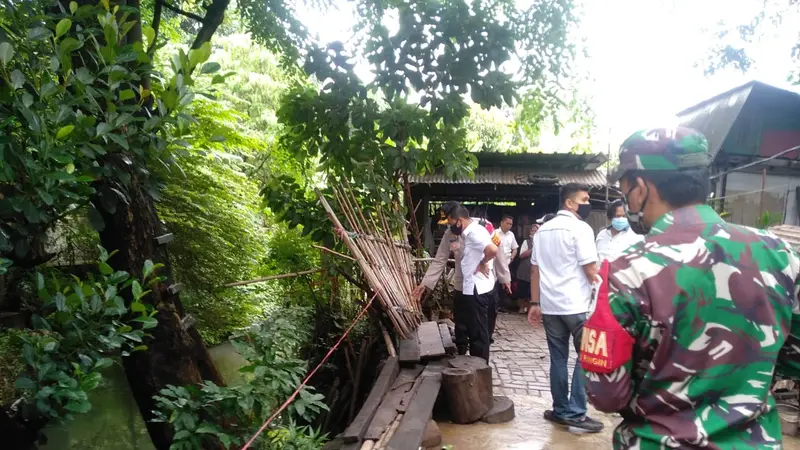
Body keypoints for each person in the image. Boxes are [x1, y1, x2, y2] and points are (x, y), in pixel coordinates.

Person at [581, 127, 800, 449]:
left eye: (625, 192)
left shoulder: (628, 271)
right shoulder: (781, 254)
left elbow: (606, 394)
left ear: (641, 189)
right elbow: (794, 358)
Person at [529, 184, 604, 433]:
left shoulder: (542, 232)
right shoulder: (581, 229)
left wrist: (534, 303)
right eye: (584, 199)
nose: (587, 202)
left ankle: (560, 410)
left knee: (558, 359)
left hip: (551, 306)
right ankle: (577, 413)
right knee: (585, 358)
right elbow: (590, 270)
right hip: (577, 305)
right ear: (569, 203)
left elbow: (535, 270)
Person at [414, 202, 510, 357]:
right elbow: (440, 260)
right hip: (461, 284)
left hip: (481, 284)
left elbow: (496, 252)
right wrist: (426, 284)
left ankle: (478, 365)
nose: (448, 227)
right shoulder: (450, 234)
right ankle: (462, 357)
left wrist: (504, 277)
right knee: (461, 325)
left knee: (480, 329)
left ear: (459, 220)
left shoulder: (485, 228)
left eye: (450, 222)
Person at [515, 213, 555, 314]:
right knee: (522, 290)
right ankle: (522, 307)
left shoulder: (545, 240)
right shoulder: (527, 242)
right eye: (532, 230)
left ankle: (531, 308)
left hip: (541, 272)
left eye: (536, 230)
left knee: (532, 292)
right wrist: (533, 249)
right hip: (526, 270)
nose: (534, 232)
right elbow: (521, 255)